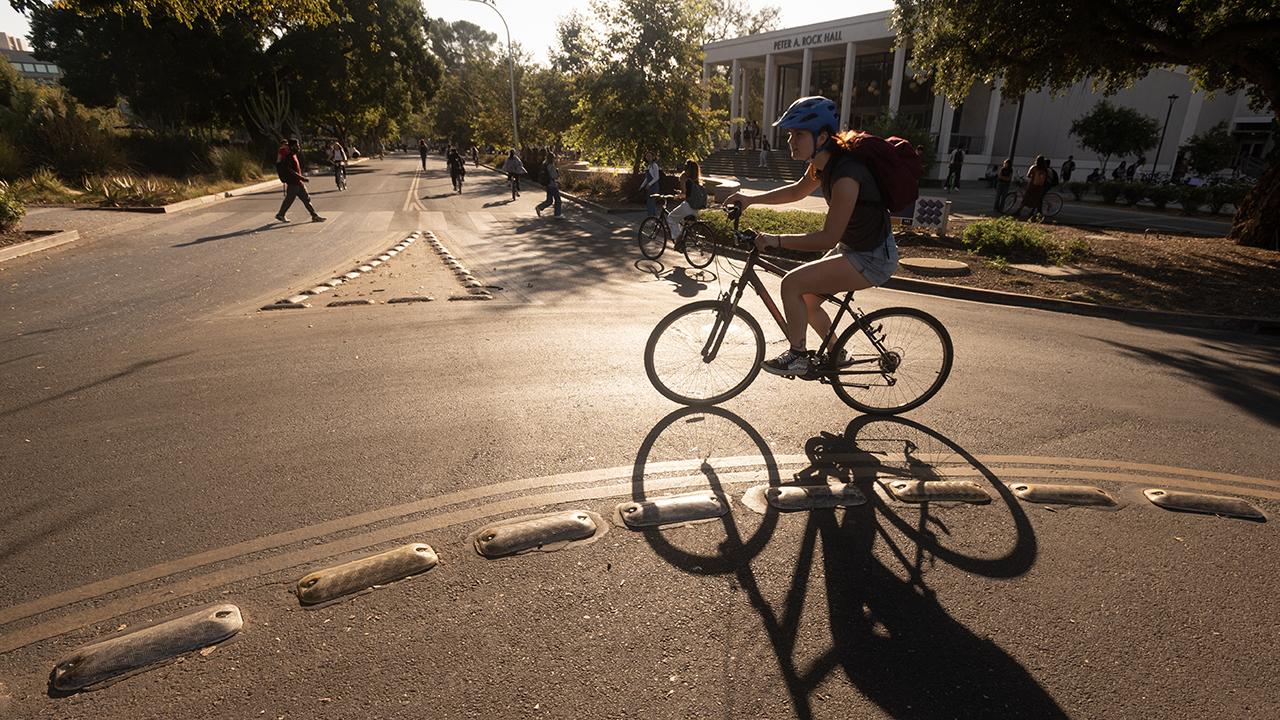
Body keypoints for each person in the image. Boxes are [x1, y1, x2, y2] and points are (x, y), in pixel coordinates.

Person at [725, 96, 902, 377]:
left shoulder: (846, 175)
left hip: (873, 258)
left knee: (791, 283)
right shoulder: (822, 165)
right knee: (806, 300)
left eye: (799, 134)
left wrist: (775, 239)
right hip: (853, 247)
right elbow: (796, 192)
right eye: (790, 134)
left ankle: (798, 356)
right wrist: (749, 198)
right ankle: (837, 352)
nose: (791, 141)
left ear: (822, 136)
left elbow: (826, 239)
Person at [275, 138, 325, 223]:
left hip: (298, 183)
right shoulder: (289, 157)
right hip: (293, 183)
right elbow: (290, 171)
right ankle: (280, 214)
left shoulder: (294, 155)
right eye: (297, 145)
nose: (298, 147)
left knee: (306, 199)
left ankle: (314, 216)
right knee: (289, 200)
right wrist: (302, 178)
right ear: (292, 146)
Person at [666, 159, 707, 241]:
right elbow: (690, 193)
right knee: (682, 222)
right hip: (696, 208)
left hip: (688, 205)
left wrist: (675, 197)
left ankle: (678, 239)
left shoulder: (685, 178)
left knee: (670, 218)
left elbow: (684, 194)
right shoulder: (697, 181)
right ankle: (683, 242)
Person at [536, 152, 563, 218]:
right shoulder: (551, 165)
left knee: (549, 200)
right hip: (552, 184)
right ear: (552, 158)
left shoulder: (545, 164)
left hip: (548, 184)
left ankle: (539, 207)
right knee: (558, 200)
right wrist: (557, 171)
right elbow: (554, 175)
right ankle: (557, 214)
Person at [640, 152, 661, 217]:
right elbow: (647, 178)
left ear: (653, 157)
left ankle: (651, 217)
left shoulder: (655, 165)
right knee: (650, 202)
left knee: (651, 202)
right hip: (649, 187)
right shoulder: (648, 166)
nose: (648, 157)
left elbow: (657, 177)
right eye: (647, 156)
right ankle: (654, 218)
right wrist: (642, 186)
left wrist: (649, 184)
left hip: (654, 186)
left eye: (650, 156)